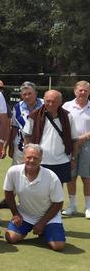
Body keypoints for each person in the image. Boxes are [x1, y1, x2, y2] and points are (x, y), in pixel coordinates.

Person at [4, 144, 66, 251]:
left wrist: (42, 223)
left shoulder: (51, 177)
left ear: (41, 159)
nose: (31, 161)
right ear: (24, 157)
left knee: (58, 246)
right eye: (28, 157)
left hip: (48, 217)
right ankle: (43, 232)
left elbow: (58, 203)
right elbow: (8, 192)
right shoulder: (13, 171)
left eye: (36, 158)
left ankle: (46, 231)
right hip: (25, 215)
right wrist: (15, 214)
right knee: (11, 238)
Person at [23, 90, 75, 185]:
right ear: (44, 100)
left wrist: (73, 158)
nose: (50, 104)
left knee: (58, 193)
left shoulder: (68, 116)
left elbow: (74, 139)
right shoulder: (34, 116)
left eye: (54, 101)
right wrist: (27, 155)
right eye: (48, 101)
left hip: (61, 161)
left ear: (60, 102)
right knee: (37, 189)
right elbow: (27, 136)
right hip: (39, 161)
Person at [62, 81, 90, 218]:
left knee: (87, 177)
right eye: (80, 90)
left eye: (85, 90)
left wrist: (84, 137)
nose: (83, 92)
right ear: (75, 91)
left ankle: (88, 207)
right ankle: (72, 206)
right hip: (70, 144)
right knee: (71, 176)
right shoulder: (67, 105)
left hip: (88, 145)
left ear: (89, 92)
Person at [8, 82, 43, 166]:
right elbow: (15, 127)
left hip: (42, 146)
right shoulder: (17, 107)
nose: (27, 97)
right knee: (19, 171)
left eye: (30, 93)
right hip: (21, 147)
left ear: (36, 93)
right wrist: (11, 146)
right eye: (24, 94)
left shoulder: (44, 104)